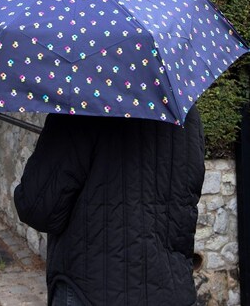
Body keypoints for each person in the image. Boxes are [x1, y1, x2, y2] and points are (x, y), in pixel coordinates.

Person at [14, 105, 205, 306]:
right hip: (172, 291)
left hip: (89, 290)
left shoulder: (82, 108)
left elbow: (37, 208)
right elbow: (187, 199)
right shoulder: (186, 114)